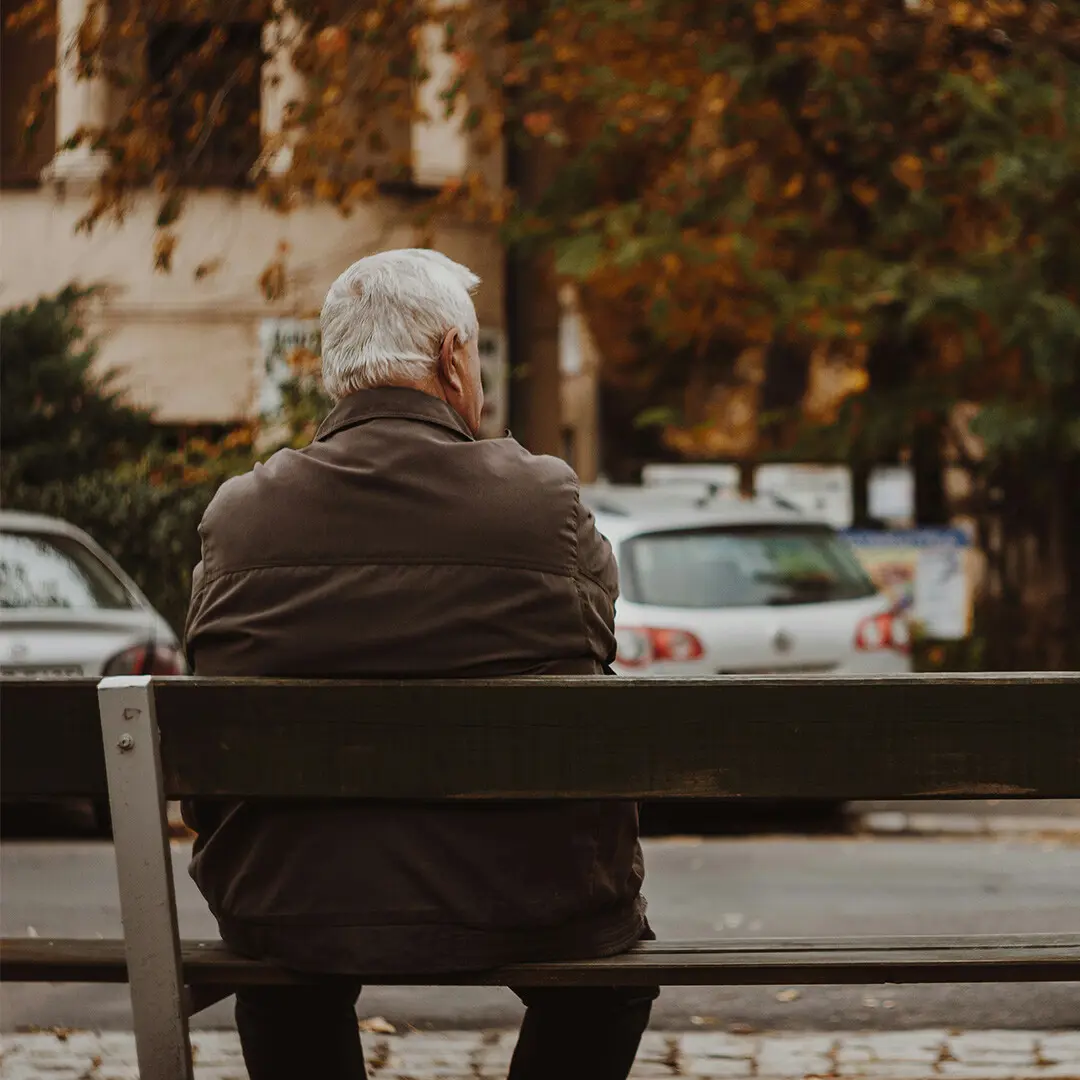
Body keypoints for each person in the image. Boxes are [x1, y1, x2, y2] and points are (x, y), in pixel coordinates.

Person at [183, 249, 656, 1080]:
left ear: (338, 374)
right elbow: (596, 643)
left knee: (284, 976)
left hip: (292, 905)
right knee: (606, 981)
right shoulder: (542, 501)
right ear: (449, 357)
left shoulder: (240, 515)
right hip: (531, 900)